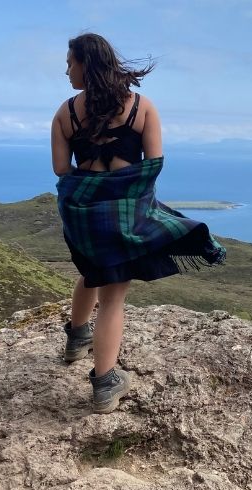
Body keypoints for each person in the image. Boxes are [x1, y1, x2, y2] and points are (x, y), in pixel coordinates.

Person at [50, 33, 226, 414]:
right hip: (126, 213)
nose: (66, 70)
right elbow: (154, 163)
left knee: (90, 272)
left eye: (70, 63)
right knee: (113, 296)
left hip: (84, 213)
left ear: (87, 64)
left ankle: (76, 339)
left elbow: (61, 170)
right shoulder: (142, 107)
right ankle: (105, 382)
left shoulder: (65, 113)